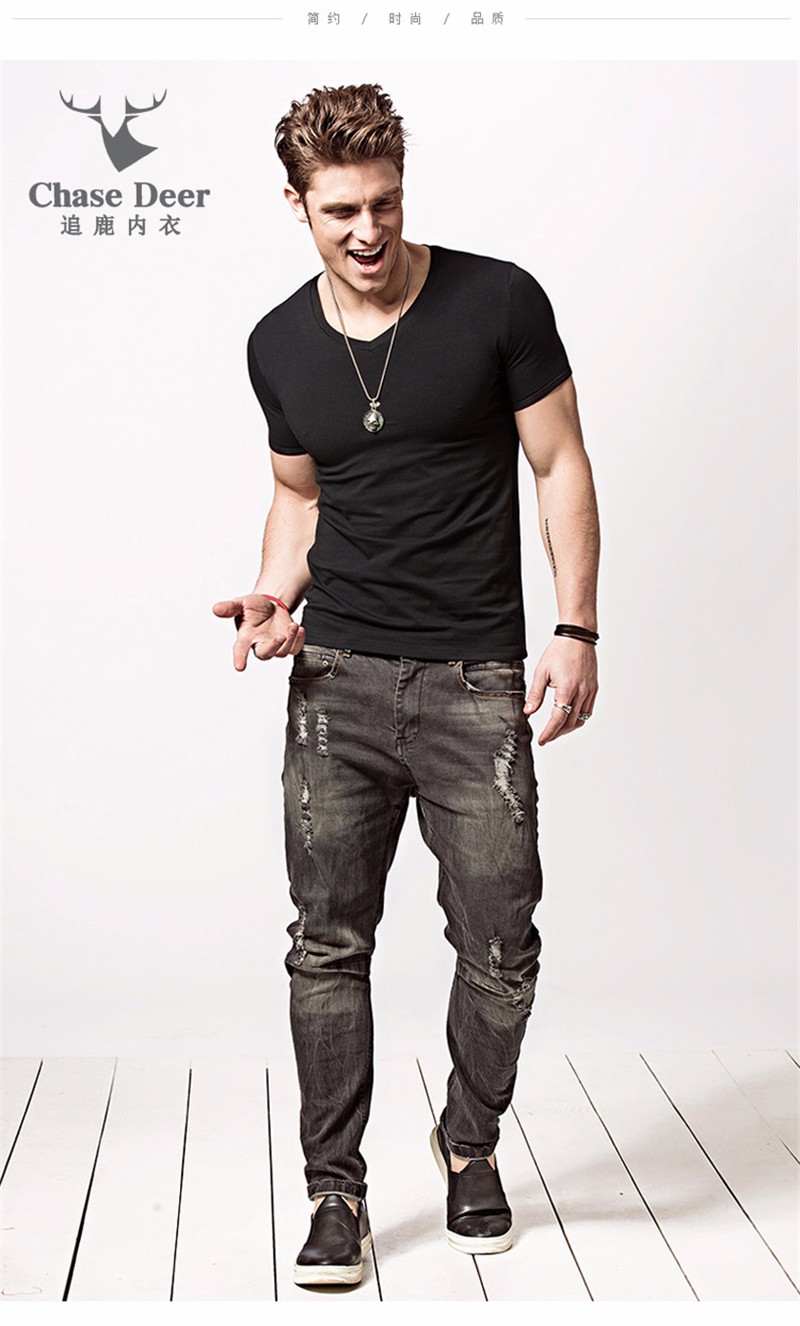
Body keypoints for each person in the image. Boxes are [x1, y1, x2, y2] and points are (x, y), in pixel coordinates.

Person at [213, 83, 600, 1287]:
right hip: (334, 683)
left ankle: (467, 1144)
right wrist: (273, 594)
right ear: (297, 205)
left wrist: (574, 626)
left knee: (500, 942)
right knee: (326, 947)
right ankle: (335, 1192)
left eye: (383, 202)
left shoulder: (498, 301)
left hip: (476, 678)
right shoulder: (278, 343)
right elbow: (299, 493)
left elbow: (558, 462)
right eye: (340, 210)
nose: (368, 229)